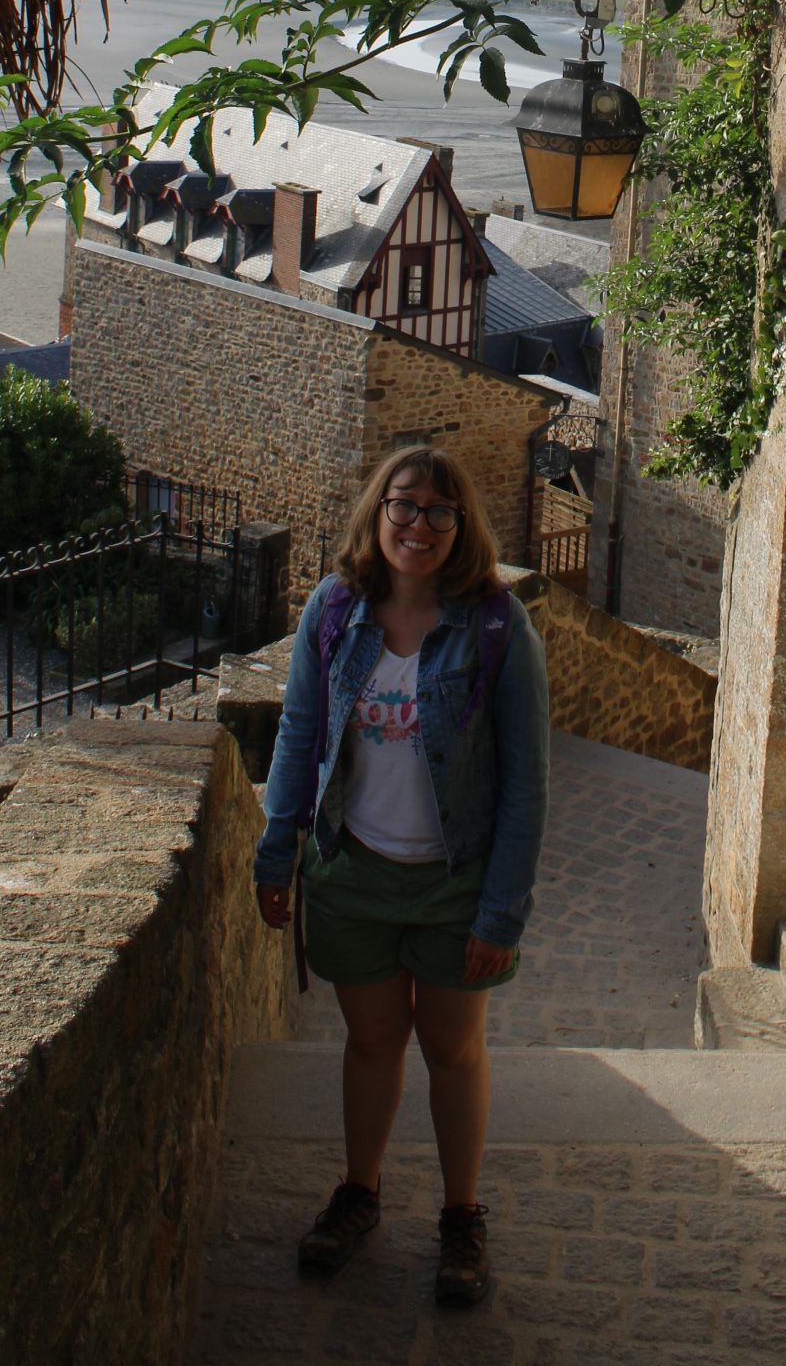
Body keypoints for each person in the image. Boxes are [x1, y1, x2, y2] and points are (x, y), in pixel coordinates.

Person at [254, 443, 549, 1309]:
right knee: (372, 1042)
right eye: (404, 505)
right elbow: (299, 733)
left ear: (461, 526)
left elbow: (526, 783)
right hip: (354, 873)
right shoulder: (334, 610)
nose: (418, 524)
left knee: (452, 1050)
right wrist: (277, 852)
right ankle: (360, 1191)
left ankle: (461, 1215)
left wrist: (501, 913)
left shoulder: (496, 627)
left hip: (455, 884)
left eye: (438, 511)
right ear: (377, 512)